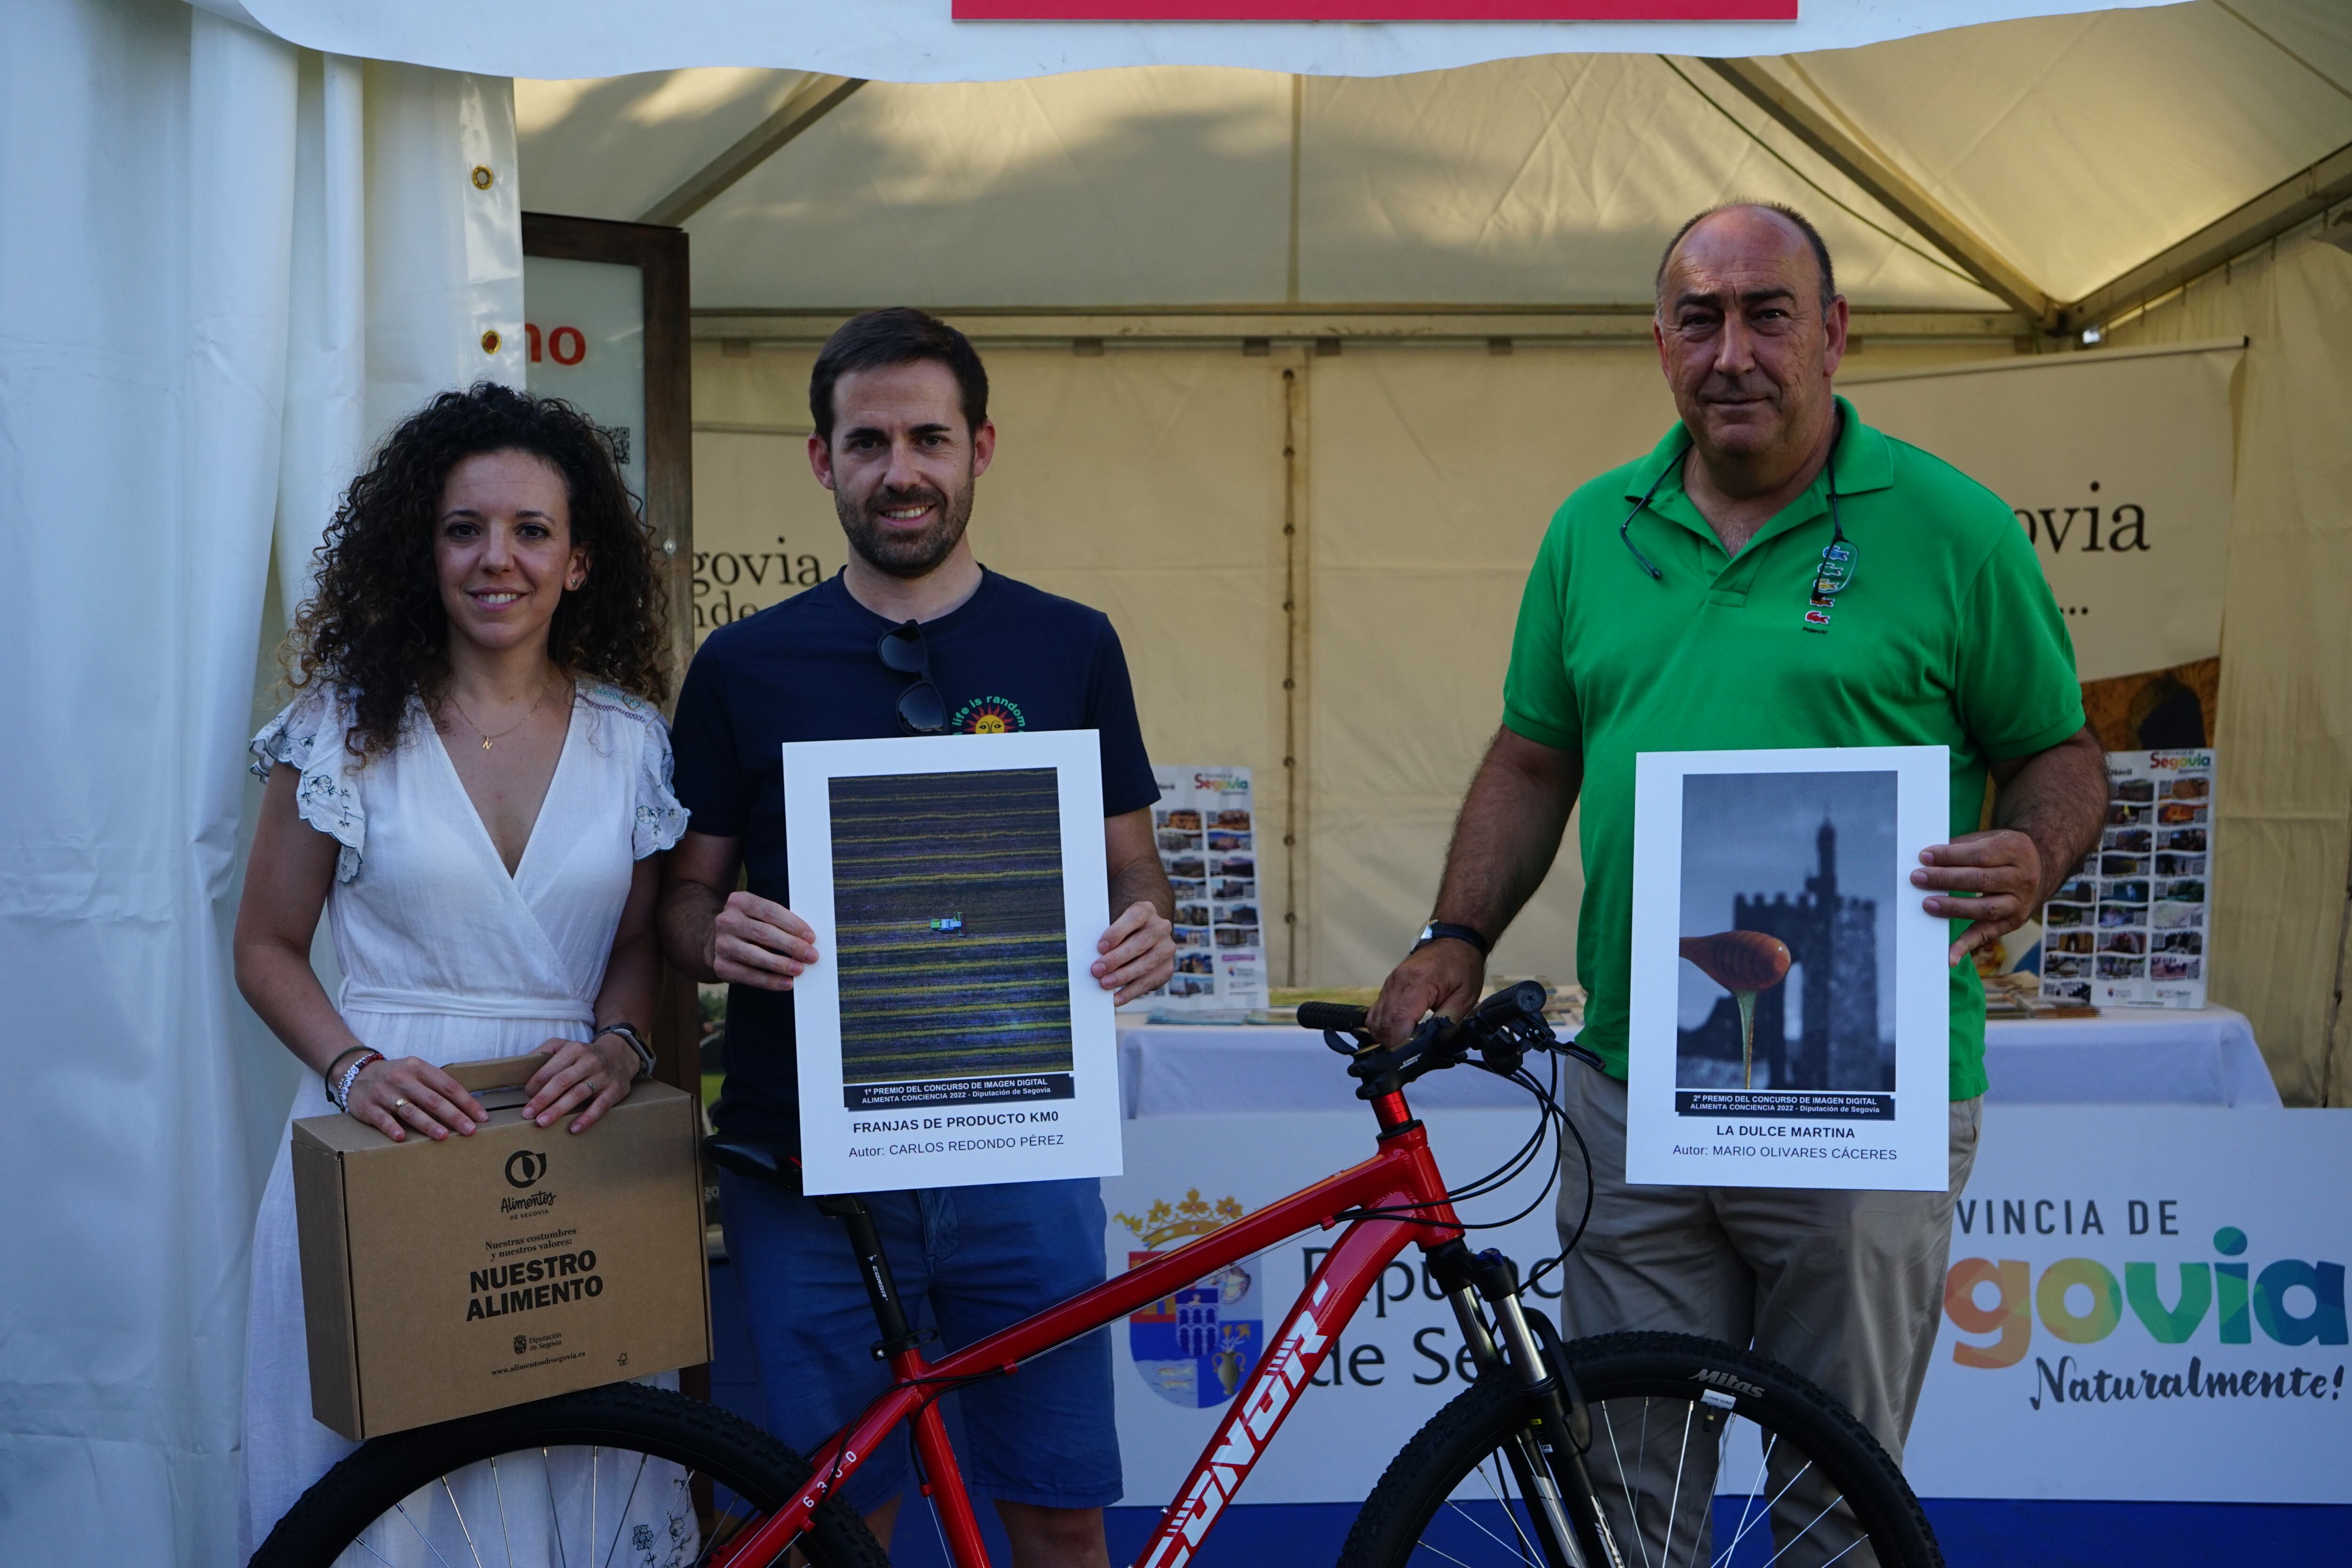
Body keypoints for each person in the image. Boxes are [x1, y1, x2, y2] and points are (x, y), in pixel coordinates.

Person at [1369, 204, 2107, 1554]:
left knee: (1840, 1486)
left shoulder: (1954, 527)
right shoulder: (1595, 527)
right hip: (1637, 1085)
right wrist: (1455, 929)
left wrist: (2036, 849)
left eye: (1769, 312)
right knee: (1627, 1497)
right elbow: (1535, 756)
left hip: (1864, 1090)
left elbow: (2056, 751)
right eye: (1698, 318)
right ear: (1660, 343)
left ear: (1835, 331)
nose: (1734, 351)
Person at [659, 308, 1175, 1568]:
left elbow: (1133, 870)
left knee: (1057, 1510)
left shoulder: (1071, 643)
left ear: (981, 447)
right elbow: (678, 902)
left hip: (1020, 1152)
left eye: (929, 437)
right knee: (840, 1520)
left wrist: (1147, 931)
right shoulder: (742, 665)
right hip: (809, 1171)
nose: (903, 469)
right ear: (821, 460)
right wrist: (721, 931)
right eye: (870, 439)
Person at [234, 385, 689, 1557]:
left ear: (581, 560)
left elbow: (637, 947)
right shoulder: (340, 725)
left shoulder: (632, 738)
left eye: (532, 529)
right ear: (421, 547)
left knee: (575, 1462)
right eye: (464, 527)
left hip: (571, 1136)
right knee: (382, 1497)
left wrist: (622, 1047)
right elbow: (266, 944)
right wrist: (354, 1069)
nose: (499, 558)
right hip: (390, 1128)